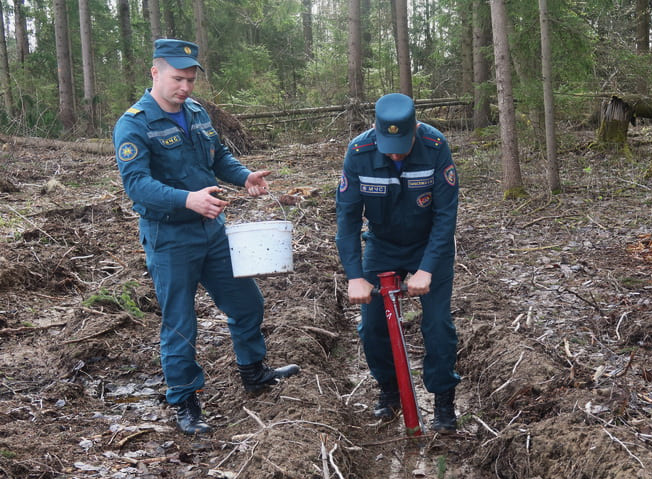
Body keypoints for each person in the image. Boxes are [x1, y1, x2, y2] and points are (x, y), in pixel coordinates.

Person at [113, 39, 299, 435]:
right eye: (178, 79)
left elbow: (218, 158)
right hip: (169, 237)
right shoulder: (134, 123)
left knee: (247, 302)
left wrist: (243, 175)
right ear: (155, 73)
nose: (185, 88)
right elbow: (137, 185)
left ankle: (254, 371)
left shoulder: (195, 113)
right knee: (180, 321)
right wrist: (188, 200)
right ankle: (184, 400)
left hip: (212, 232)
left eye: (191, 80)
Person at [335, 93, 461, 432]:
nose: (393, 153)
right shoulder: (359, 153)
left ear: (415, 129)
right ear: (375, 130)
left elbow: (445, 215)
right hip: (382, 244)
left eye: (401, 145)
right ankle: (390, 392)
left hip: (428, 245)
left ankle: (444, 401)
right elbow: (347, 220)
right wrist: (355, 275)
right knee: (372, 326)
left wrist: (427, 268)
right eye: (388, 145)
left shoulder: (435, 146)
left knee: (437, 325)